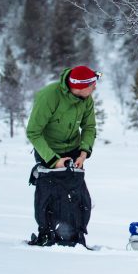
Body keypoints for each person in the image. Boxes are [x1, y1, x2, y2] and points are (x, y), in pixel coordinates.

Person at [25, 66, 99, 247]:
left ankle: (76, 236)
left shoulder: (86, 99)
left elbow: (89, 128)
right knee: (50, 196)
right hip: (48, 152)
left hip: (74, 151)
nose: (95, 88)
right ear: (80, 86)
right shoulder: (49, 96)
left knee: (80, 197)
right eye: (92, 85)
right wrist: (54, 160)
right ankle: (47, 235)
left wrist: (83, 153)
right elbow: (33, 132)